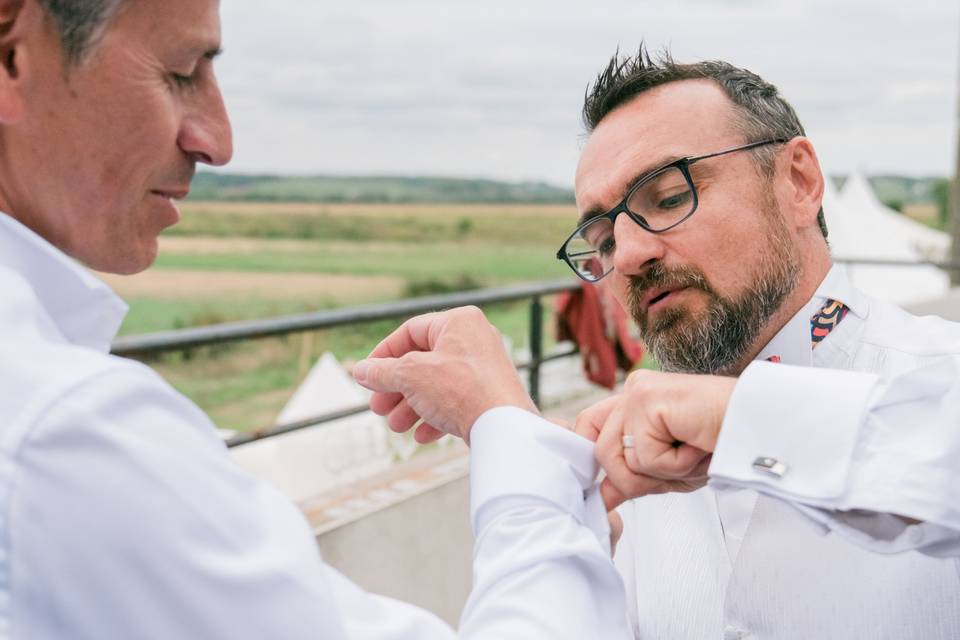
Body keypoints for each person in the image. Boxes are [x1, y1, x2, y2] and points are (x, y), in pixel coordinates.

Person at [0, 1, 633, 636]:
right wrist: (519, 445)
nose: (217, 141)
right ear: (11, 56)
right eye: (182, 72)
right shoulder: (60, 426)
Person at [361, 47, 960, 639]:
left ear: (799, 182)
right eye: (601, 239)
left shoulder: (943, 378)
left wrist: (751, 420)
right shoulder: (624, 480)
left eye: (670, 198)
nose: (629, 255)